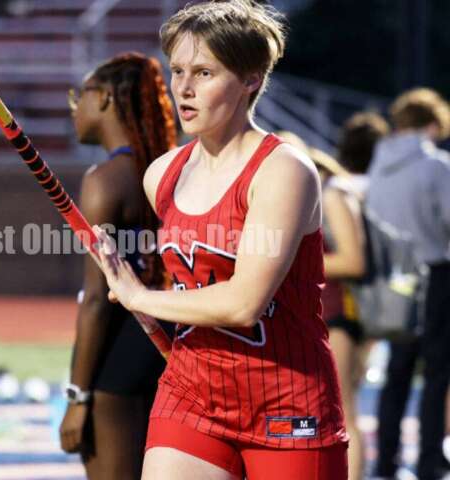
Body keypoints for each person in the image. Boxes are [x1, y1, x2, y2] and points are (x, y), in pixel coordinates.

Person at [91, 2, 348, 479]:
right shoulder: (162, 175)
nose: (183, 88)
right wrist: (127, 281)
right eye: (179, 71)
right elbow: (189, 285)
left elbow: (242, 304)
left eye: (205, 72)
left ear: (251, 79)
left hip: (286, 400)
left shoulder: (283, 171)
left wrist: (142, 296)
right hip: (191, 397)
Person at [58, 52, 177, 479]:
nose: (75, 108)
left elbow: (96, 299)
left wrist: (77, 395)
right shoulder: (174, 169)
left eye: (81, 95)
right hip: (174, 341)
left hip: (119, 354)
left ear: (105, 98)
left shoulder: (106, 178)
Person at [367, 88, 450, 480]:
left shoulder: (377, 166)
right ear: (433, 124)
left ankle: (385, 460)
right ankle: (429, 461)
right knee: (436, 374)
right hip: (435, 272)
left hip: (390, 278)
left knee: (395, 372)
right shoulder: (436, 166)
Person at [322, 113, 388, 480]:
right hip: (364, 308)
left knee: (343, 410)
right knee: (347, 405)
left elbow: (352, 260)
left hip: (342, 310)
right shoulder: (374, 188)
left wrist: (292, 261)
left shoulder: (338, 191)